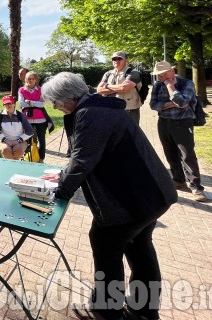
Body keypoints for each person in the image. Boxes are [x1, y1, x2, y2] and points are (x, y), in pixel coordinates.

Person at [41, 72, 178, 320]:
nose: (54, 107)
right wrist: (63, 175)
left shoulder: (91, 114)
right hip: (152, 195)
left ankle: (107, 309)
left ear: (69, 97)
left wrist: (60, 192)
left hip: (134, 199)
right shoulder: (96, 106)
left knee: (105, 243)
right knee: (139, 248)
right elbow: (85, 155)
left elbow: (83, 160)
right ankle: (145, 310)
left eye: (56, 101)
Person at [149, 61, 206, 202]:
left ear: (172, 71)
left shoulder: (187, 84)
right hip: (163, 123)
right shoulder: (157, 85)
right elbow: (153, 105)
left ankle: (196, 188)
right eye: (159, 76)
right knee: (170, 153)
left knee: (187, 155)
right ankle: (179, 180)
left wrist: (170, 87)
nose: (162, 78)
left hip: (182, 123)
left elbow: (183, 103)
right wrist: (171, 104)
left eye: (163, 74)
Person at [96, 51, 142, 124]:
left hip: (129, 111)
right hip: (111, 110)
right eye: (114, 59)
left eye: (119, 58)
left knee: (131, 134)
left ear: (126, 60)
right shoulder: (108, 74)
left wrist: (107, 86)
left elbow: (124, 88)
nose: (116, 61)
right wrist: (119, 88)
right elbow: (99, 90)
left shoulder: (134, 73)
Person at [18, 71, 50, 162]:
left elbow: (42, 104)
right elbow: (21, 103)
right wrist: (35, 103)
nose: (31, 80)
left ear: (36, 80)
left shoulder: (40, 90)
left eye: (33, 79)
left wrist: (30, 102)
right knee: (27, 138)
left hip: (40, 120)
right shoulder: (21, 90)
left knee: (41, 139)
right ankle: (27, 157)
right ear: (25, 80)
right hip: (27, 119)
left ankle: (41, 157)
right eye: (29, 78)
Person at [0, 95, 34, 160]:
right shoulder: (0, 115)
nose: (8, 105)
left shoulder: (20, 115)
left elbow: (30, 131)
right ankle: (15, 167)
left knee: (18, 151)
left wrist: (18, 140)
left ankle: (10, 166)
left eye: (10, 103)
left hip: (20, 141)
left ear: (14, 104)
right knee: (5, 150)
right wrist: (5, 140)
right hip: (5, 140)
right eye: (6, 104)